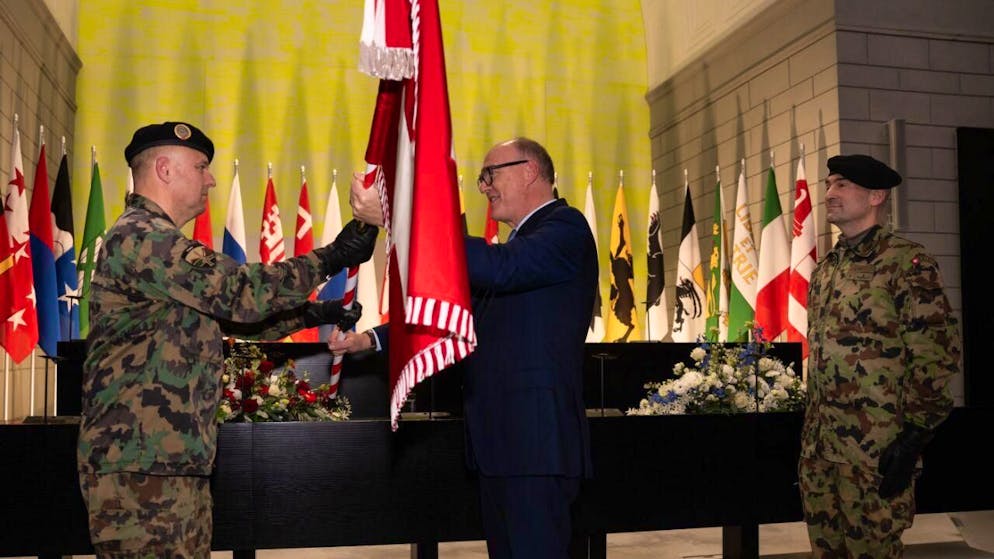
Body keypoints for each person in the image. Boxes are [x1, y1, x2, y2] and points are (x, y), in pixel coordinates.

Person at [76, 121, 378, 558]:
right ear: (164, 169)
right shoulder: (141, 237)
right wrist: (331, 256)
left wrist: (318, 311)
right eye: (201, 166)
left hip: (165, 459)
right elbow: (239, 292)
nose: (211, 178)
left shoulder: (152, 242)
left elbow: (231, 321)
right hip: (140, 465)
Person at [332, 137, 598, 558]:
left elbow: (497, 269)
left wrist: (398, 216)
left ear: (528, 170)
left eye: (489, 175)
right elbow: (453, 315)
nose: (484, 187)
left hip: (535, 445)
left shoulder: (566, 229)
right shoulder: (519, 248)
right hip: (501, 445)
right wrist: (371, 338)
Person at [799, 153, 961, 558]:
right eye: (829, 184)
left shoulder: (906, 262)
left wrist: (913, 437)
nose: (829, 193)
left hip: (875, 447)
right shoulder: (828, 266)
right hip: (821, 448)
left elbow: (936, 352)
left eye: (841, 185)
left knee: (872, 551)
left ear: (876, 196)